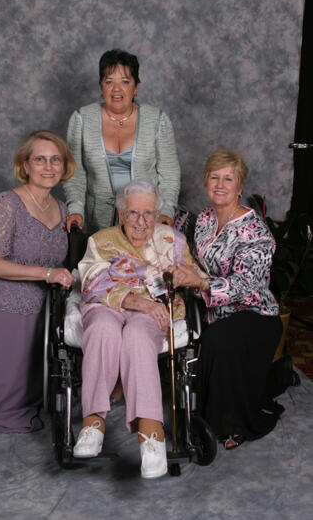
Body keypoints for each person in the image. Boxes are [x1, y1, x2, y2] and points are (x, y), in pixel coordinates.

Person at [73, 180, 199, 478]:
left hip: (152, 309)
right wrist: (136, 302)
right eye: (133, 213)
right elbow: (92, 283)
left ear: (157, 214)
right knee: (103, 328)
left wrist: (184, 277)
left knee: (138, 336)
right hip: (108, 305)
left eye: (149, 213)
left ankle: (151, 435)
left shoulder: (173, 240)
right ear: (120, 213)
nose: (142, 222)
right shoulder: (100, 240)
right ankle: (93, 424)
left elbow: (194, 276)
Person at [0, 131, 76, 433]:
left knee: (40, 393)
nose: (48, 166)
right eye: (40, 159)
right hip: (5, 309)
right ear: (25, 165)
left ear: (64, 167)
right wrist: (47, 274)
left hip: (45, 316)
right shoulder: (8, 203)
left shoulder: (62, 210)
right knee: (2, 404)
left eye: (55, 160)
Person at [171, 149, 283, 449]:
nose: (220, 185)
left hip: (254, 315)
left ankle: (228, 426)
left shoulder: (256, 231)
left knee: (216, 342)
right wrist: (159, 214)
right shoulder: (207, 217)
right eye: (214, 177)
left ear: (240, 186)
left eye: (228, 179)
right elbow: (183, 225)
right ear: (206, 181)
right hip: (213, 312)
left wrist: (200, 281)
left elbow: (244, 285)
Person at [63, 48, 180, 235]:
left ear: (136, 87)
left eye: (125, 82)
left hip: (146, 220)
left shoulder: (157, 119)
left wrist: (166, 210)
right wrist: (75, 209)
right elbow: (74, 173)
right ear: (101, 86)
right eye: (109, 82)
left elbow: (169, 173)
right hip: (97, 222)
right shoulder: (81, 119)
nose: (116, 89)